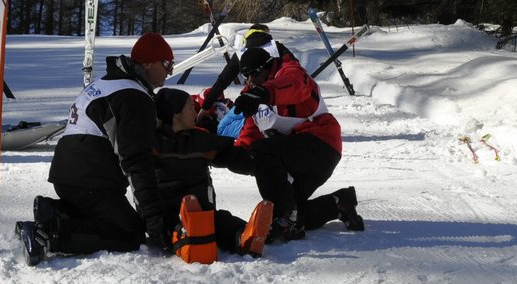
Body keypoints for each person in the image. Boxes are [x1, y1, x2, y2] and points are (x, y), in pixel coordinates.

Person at [18, 31, 176, 266]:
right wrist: (153, 218)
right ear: (148, 62)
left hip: (71, 173)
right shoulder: (134, 96)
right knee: (129, 232)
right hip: (89, 178)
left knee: (106, 216)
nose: (170, 71)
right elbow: (136, 159)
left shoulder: (109, 82)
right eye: (167, 64)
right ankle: (48, 233)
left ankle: (53, 211)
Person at [232, 34, 364, 243]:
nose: (250, 81)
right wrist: (224, 155)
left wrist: (264, 93)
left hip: (320, 145)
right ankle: (339, 203)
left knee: (263, 151)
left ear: (268, 68)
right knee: (296, 210)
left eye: (254, 74)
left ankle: (286, 219)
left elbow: (294, 86)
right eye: (244, 76)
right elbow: (248, 138)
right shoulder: (252, 95)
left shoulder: (290, 74)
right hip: (299, 158)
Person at [153, 87, 273, 260]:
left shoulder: (200, 139)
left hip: (204, 211)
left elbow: (231, 153)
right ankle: (190, 240)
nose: (194, 110)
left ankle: (245, 236)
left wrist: (262, 164)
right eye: (189, 107)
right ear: (176, 114)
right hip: (170, 213)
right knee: (175, 225)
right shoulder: (154, 143)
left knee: (221, 220)